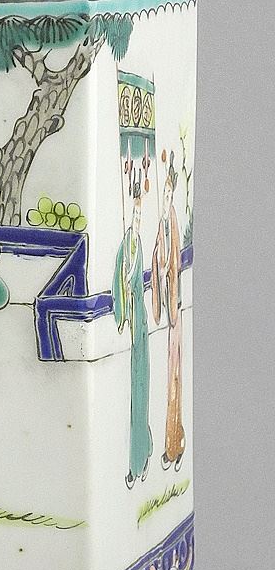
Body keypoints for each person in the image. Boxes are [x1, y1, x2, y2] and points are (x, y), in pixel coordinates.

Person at [112, 187, 153, 487]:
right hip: (132, 318)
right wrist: (121, 313)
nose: (138, 218)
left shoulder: (138, 243)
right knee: (133, 392)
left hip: (141, 322)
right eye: (135, 213)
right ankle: (136, 459)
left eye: (140, 214)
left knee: (142, 385)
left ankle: (142, 453)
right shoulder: (125, 248)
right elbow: (118, 282)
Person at [151, 153, 185, 470]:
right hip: (166, 304)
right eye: (165, 194)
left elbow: (172, 262)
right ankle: (172, 443)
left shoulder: (171, 222)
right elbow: (156, 260)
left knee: (174, 376)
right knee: (169, 377)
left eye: (168, 194)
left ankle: (174, 443)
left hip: (175, 307)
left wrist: (165, 273)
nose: (166, 199)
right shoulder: (162, 223)